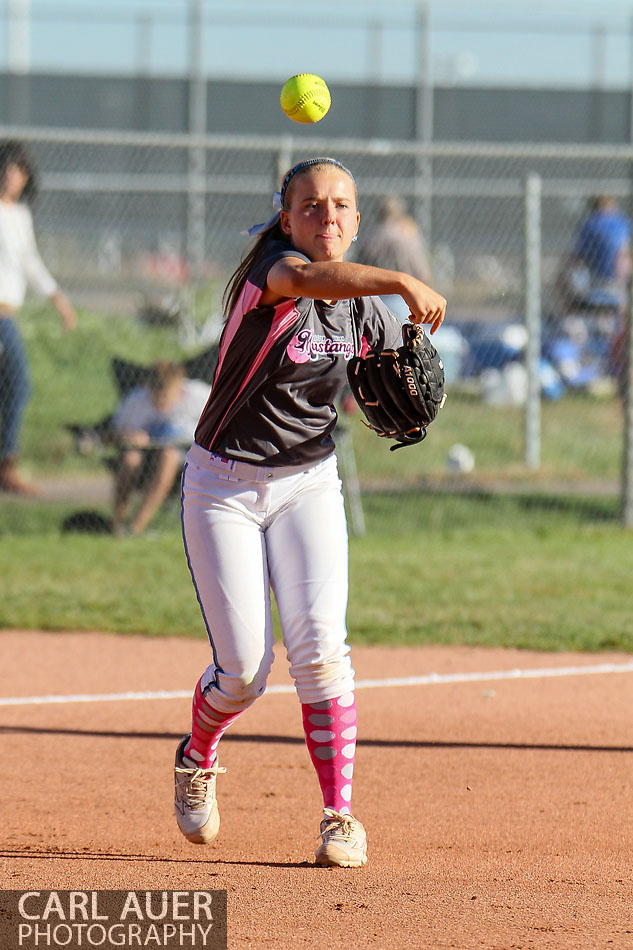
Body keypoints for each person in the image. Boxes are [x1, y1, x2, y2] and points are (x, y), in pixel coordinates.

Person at [174, 156, 446, 868]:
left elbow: (399, 373)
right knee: (241, 672)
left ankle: (338, 818)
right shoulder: (274, 274)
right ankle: (198, 753)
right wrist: (400, 278)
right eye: (310, 205)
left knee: (322, 650)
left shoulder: (366, 311)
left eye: (339, 205)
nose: (326, 215)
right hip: (222, 486)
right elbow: (312, 280)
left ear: (357, 222)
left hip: (307, 485)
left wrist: (409, 386)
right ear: (286, 218)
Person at [0, 139, 77, 495]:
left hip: (7, 315)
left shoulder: (20, 215)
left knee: (15, 387)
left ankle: (7, 466)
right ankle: (8, 465)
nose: (9, 175)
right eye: (6, 167)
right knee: (18, 382)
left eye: (17, 170)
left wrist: (57, 298)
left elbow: (30, 262)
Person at [110, 361, 209, 536]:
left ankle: (135, 526)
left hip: (185, 458)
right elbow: (114, 432)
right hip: (144, 455)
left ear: (179, 388)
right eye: (156, 399)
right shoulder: (137, 401)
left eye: (166, 399)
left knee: (168, 455)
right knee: (130, 459)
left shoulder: (200, 397)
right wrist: (131, 436)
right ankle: (116, 523)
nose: (161, 405)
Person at [355, 195, 433, 321]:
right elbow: (421, 271)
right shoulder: (408, 237)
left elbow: (357, 270)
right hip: (403, 299)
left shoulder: (369, 237)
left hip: (372, 300)